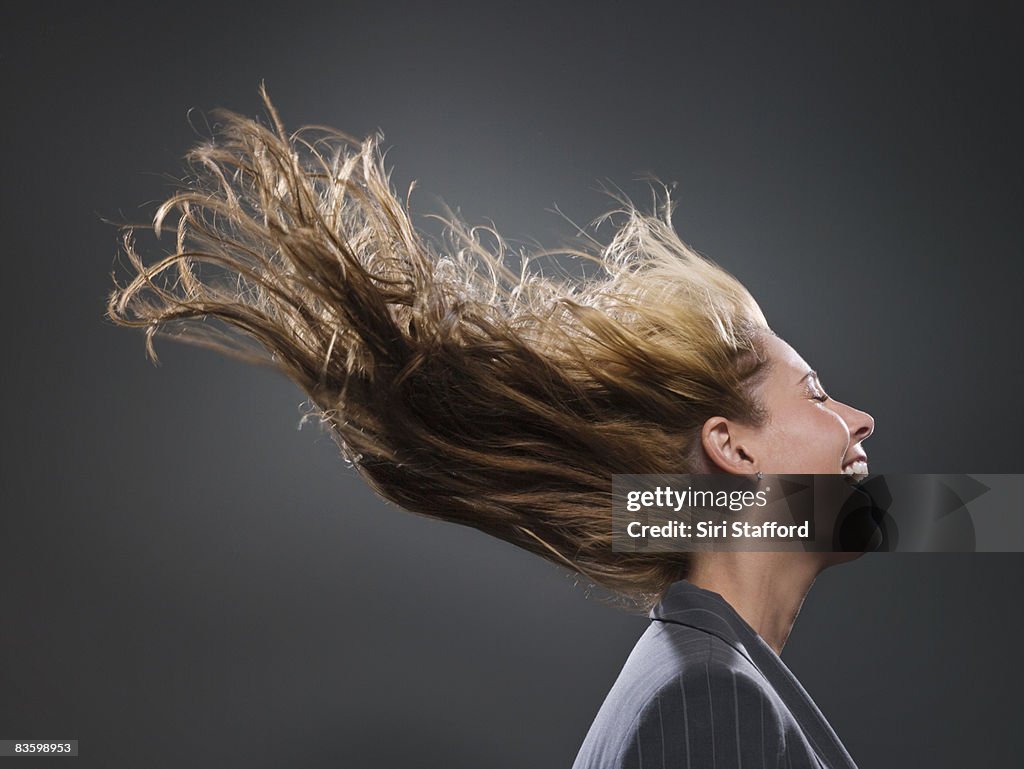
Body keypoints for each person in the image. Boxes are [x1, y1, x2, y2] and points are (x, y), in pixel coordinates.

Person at [106, 86, 874, 768]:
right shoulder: (710, 694)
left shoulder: (706, 676)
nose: (860, 421)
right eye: (817, 394)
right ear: (730, 446)